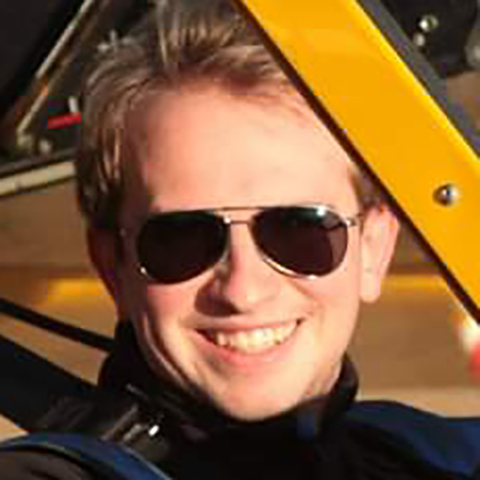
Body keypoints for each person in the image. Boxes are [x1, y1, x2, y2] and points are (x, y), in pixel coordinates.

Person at [0, 0, 479, 478]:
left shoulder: (430, 454)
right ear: (113, 267)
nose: (242, 291)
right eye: (182, 239)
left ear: (373, 247)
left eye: (299, 230)